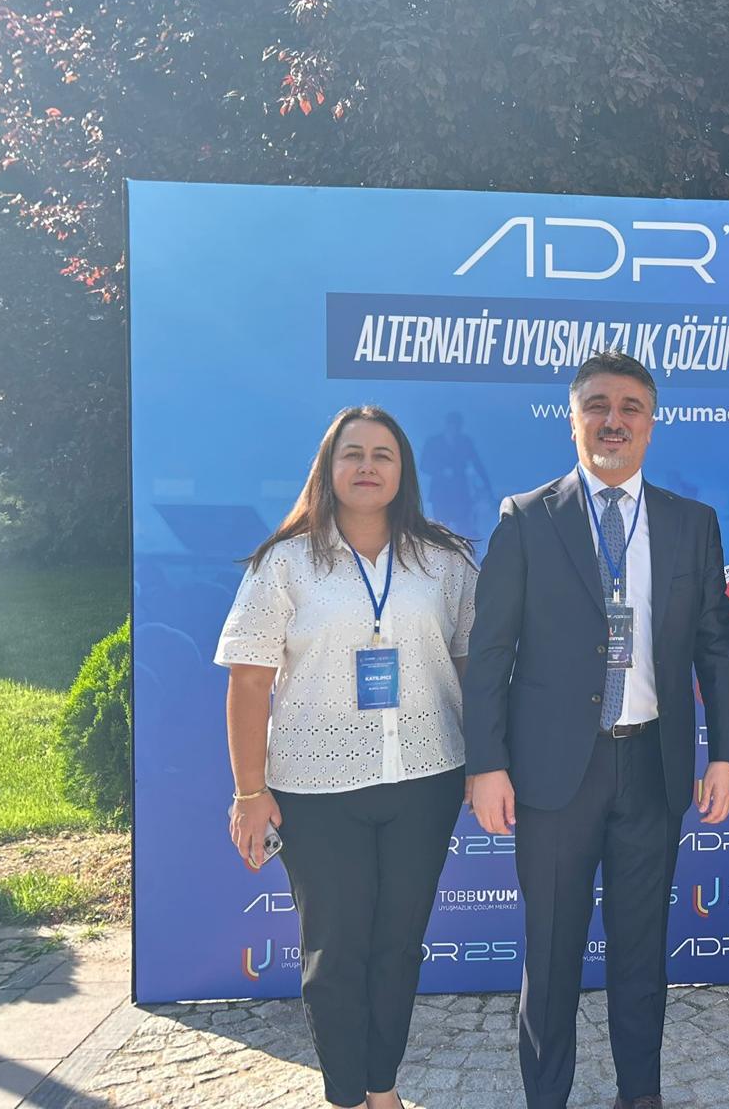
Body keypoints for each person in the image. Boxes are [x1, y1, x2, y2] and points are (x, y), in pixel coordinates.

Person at [464, 350, 729, 1109]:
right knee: (552, 954)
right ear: (573, 418)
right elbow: (490, 652)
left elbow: (716, 647)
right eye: (597, 406)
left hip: (653, 768)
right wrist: (486, 763)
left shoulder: (691, 524)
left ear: (651, 424)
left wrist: (723, 755)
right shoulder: (527, 518)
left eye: (630, 408)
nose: (613, 421)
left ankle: (639, 1096)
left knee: (642, 953)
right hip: (555, 774)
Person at [218, 405, 477, 1109]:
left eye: (382, 454)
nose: (367, 466)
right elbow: (249, 680)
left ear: (403, 471)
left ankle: (382, 1089)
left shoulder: (445, 562)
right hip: (314, 788)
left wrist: (486, 763)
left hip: (425, 779)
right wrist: (249, 793)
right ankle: (344, 1096)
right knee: (334, 953)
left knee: (399, 947)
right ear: (328, 469)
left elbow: (472, 666)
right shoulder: (285, 563)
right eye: (352, 453)